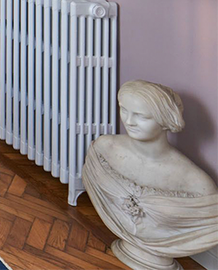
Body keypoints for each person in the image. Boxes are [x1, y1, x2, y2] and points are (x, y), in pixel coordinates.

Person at [83, 80, 218, 270]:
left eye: (141, 116)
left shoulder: (198, 184)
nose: (128, 121)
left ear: (166, 120)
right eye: (124, 110)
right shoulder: (103, 150)